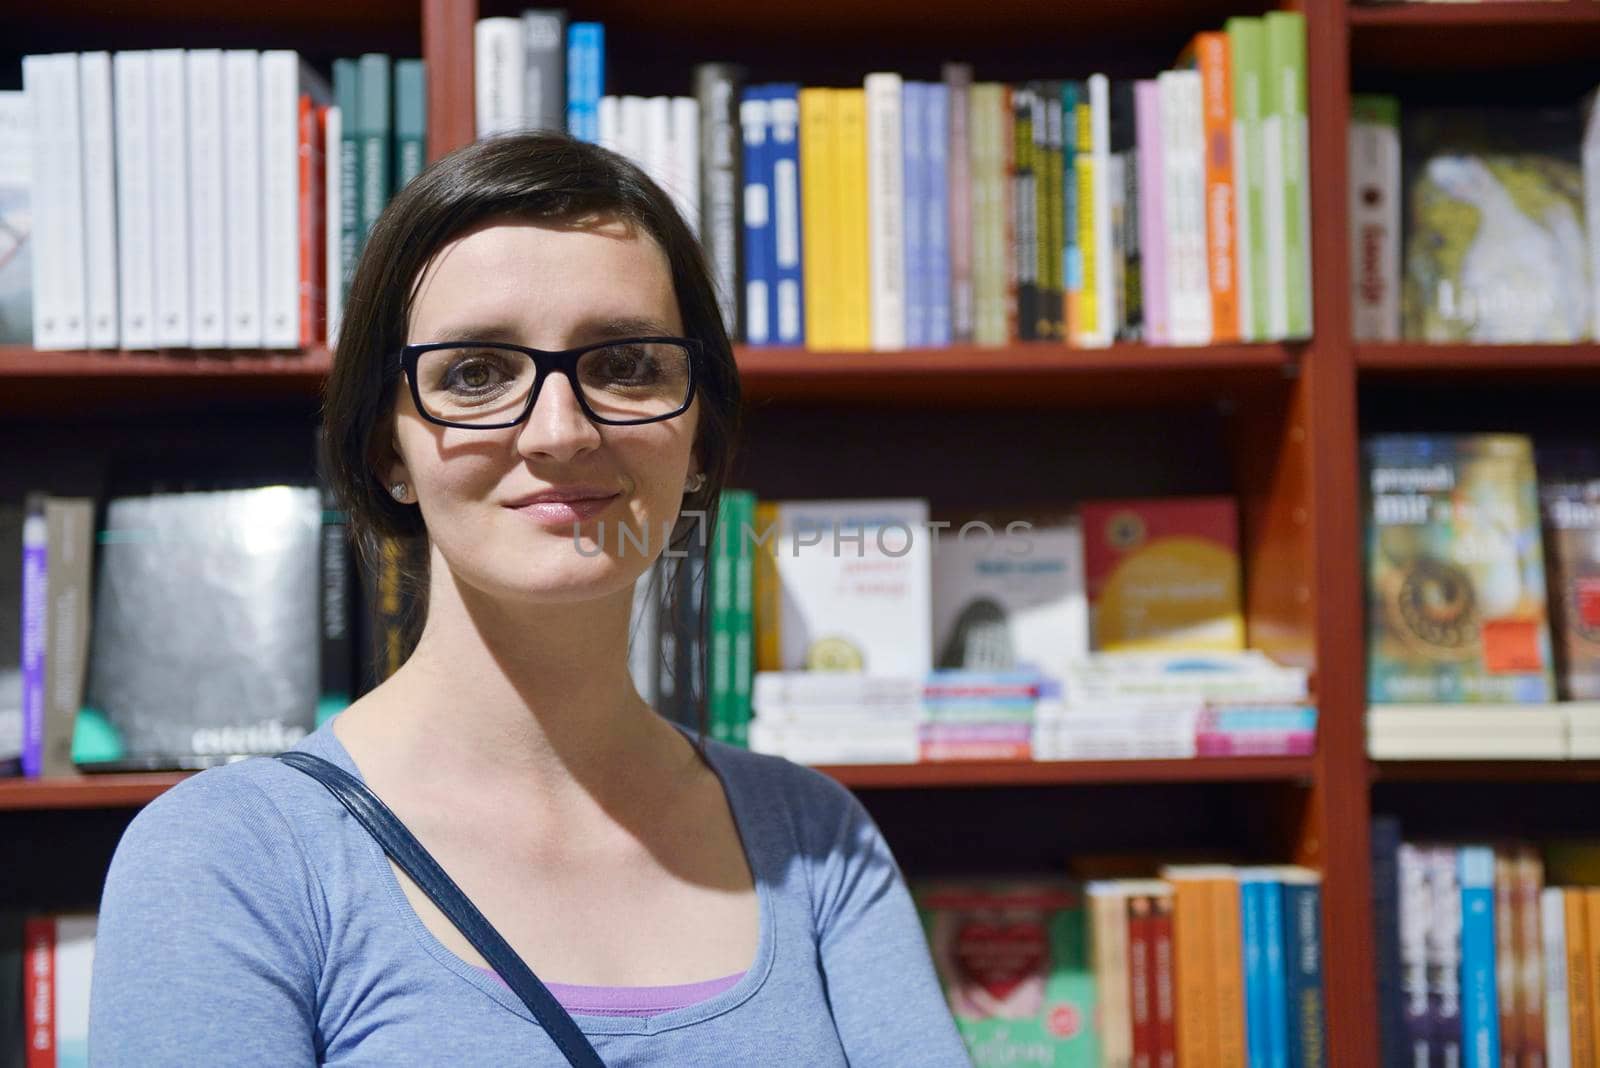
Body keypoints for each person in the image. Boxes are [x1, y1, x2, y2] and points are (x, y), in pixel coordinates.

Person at [87, 131, 972, 1065]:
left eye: (627, 364)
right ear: (387, 447)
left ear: (701, 437)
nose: (559, 431)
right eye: (475, 373)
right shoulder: (230, 857)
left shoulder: (815, 840)